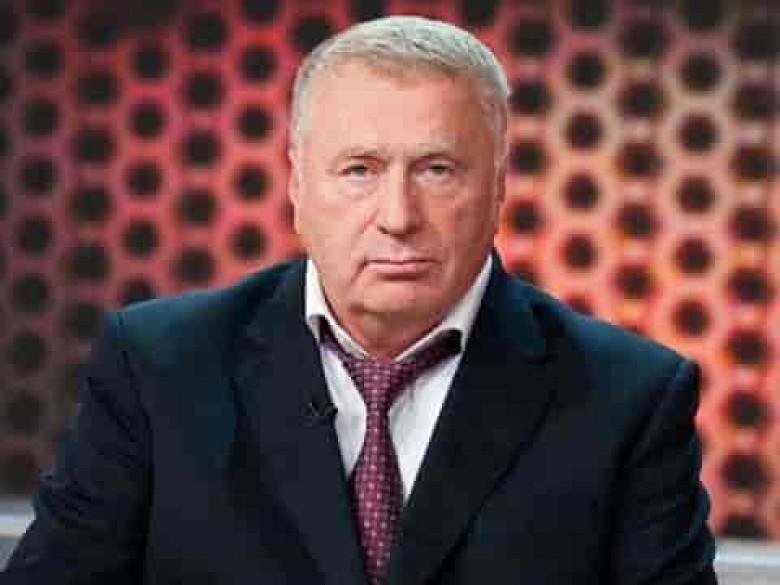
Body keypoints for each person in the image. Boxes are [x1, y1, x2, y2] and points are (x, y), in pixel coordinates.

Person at [4, 15, 717, 584]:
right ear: (296, 185)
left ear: (499, 187)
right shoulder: (158, 366)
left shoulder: (629, 398)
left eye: (437, 170)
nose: (398, 216)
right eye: (359, 170)